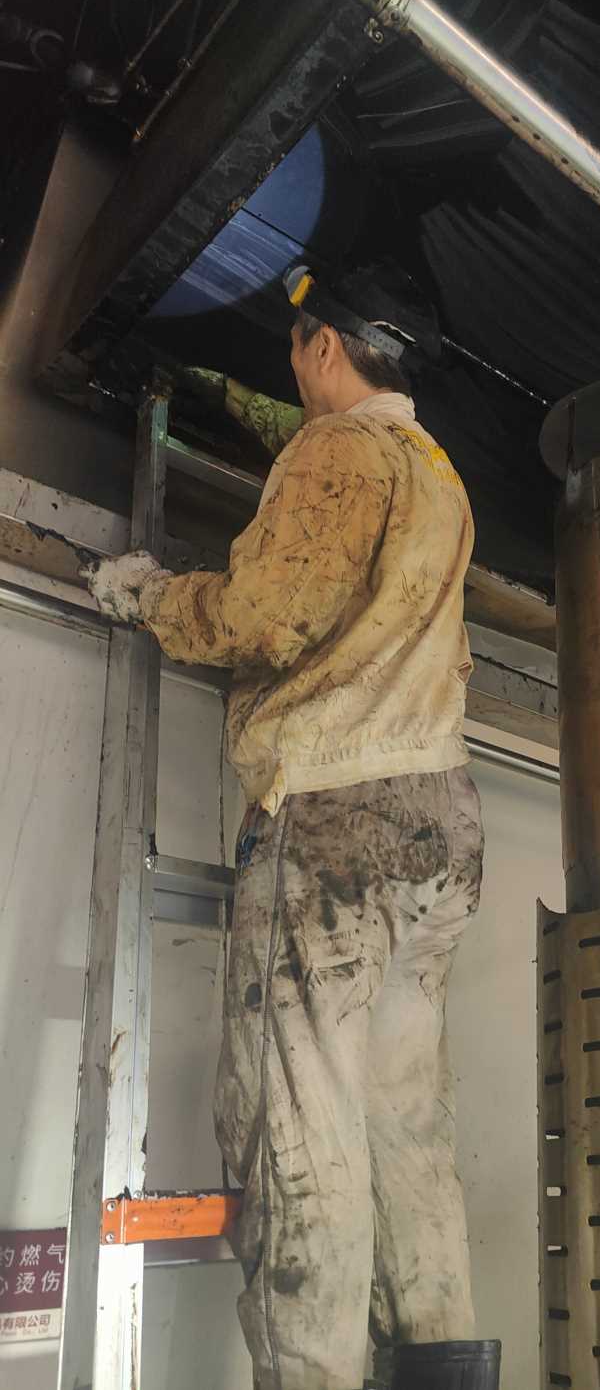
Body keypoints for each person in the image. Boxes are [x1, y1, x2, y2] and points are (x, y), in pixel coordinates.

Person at [85, 264, 498, 1390]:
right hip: (438, 825)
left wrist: (149, 595)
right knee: (404, 1131)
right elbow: (334, 471)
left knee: (298, 1134)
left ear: (322, 346)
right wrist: (231, 398)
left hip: (336, 819)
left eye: (294, 348)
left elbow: (266, 615)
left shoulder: (336, 452)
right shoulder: (434, 472)